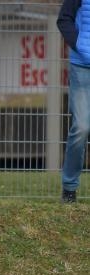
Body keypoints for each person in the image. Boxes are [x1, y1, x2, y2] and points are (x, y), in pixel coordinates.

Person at [57, 0, 90, 203]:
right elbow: (64, 20)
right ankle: (69, 188)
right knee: (81, 127)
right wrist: (79, 45)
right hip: (81, 67)